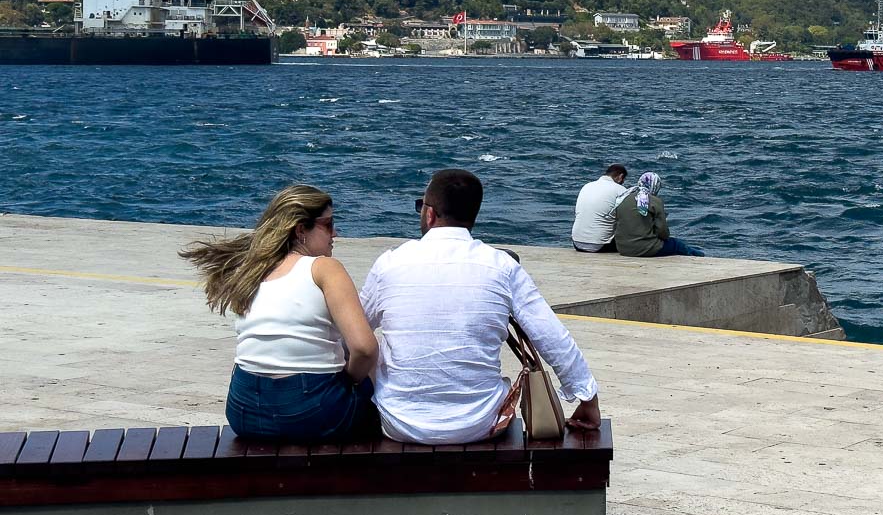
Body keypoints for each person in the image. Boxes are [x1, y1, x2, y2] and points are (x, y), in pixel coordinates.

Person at [360, 168, 601, 444]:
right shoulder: (501, 266)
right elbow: (552, 336)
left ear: (429, 213)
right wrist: (587, 398)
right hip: (480, 423)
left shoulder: (389, 264)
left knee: (369, 345)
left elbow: (353, 333)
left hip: (399, 422)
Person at [180, 185, 380, 442]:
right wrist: (350, 381)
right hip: (311, 410)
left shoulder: (250, 268)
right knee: (376, 367)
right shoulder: (324, 268)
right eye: (328, 224)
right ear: (301, 230)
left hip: (244, 411)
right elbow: (365, 348)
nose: (335, 233)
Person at [614, 171, 705, 257]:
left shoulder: (623, 198)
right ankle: (701, 256)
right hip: (644, 249)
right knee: (677, 245)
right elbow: (663, 233)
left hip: (623, 248)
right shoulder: (655, 201)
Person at [571, 163, 629, 252]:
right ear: (620, 177)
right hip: (600, 246)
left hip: (577, 243)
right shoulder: (620, 190)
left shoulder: (587, 186)